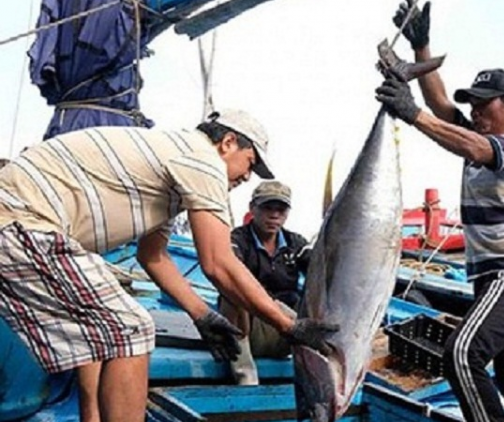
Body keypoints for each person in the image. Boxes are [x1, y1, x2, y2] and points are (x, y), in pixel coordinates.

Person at [0, 109, 337, 422]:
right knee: (132, 327)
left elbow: (153, 256)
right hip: (21, 222)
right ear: (228, 143)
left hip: (18, 225)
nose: (247, 176)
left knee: (109, 328)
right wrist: (288, 327)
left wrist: (202, 314)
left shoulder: (170, 175)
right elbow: (218, 263)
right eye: (249, 163)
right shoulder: (203, 159)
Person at [375, 2, 504, 422]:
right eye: (472, 106)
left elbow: (469, 143)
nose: (475, 113)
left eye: (484, 105)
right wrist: (422, 47)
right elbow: (440, 106)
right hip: (490, 281)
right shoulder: (475, 135)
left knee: (460, 356)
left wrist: (410, 113)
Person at [220, 180, 310, 385]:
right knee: (232, 292)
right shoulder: (237, 239)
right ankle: (245, 375)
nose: (274, 215)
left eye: (281, 210)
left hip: (289, 329)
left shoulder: (296, 243)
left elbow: (318, 269)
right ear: (253, 208)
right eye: (267, 208)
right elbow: (229, 271)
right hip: (250, 329)